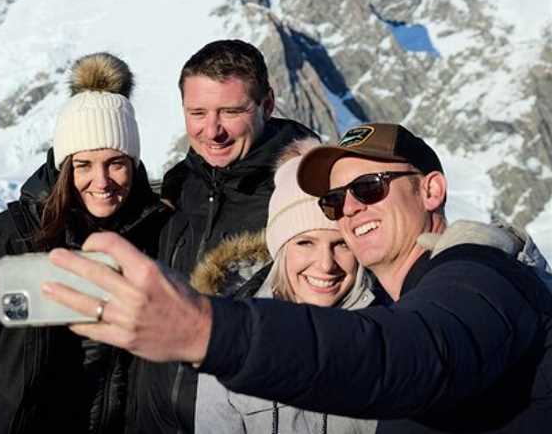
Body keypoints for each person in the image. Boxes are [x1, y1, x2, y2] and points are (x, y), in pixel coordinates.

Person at [44, 122, 552, 433]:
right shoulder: (416, 293)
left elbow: (412, 354)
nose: (350, 209)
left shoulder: (482, 274)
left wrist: (208, 330)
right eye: (335, 200)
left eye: (370, 186)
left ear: (431, 190)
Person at [0, 53, 170, 434]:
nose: (102, 181)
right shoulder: (10, 237)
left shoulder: (158, 234)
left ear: (134, 162)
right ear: (64, 168)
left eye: (116, 162)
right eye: (83, 165)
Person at [134, 39, 315, 432]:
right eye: (197, 112)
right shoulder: (179, 188)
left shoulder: (302, 195)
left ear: (267, 105)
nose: (211, 131)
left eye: (231, 112)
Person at [193, 138, 378, 434]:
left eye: (341, 244)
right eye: (305, 243)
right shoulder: (234, 339)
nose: (325, 264)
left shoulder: (388, 333)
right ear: (280, 249)